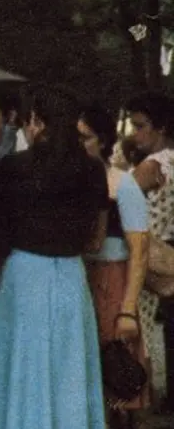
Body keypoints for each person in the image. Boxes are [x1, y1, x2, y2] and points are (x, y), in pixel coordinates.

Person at [0, 84, 108, 429]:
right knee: (68, 370)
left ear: (36, 122)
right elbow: (96, 238)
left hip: (23, 274)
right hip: (71, 278)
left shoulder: (11, 168)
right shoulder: (92, 170)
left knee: (18, 368)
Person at [79, 103, 151, 425]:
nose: (80, 145)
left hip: (111, 279)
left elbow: (140, 250)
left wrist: (128, 308)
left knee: (115, 374)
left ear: (104, 141)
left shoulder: (121, 183)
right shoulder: (69, 180)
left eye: (86, 138)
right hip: (79, 277)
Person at [125, 91, 174, 405]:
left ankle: (141, 394)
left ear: (161, 128)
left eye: (141, 126)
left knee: (141, 325)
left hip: (144, 253)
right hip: (166, 254)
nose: (135, 133)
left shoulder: (151, 166)